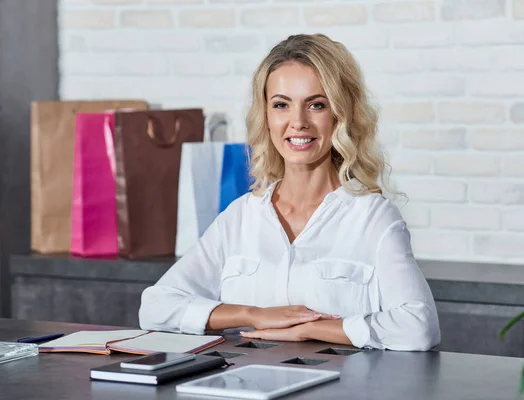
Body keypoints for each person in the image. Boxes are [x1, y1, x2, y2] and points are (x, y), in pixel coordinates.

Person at [139, 33, 440, 351]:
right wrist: (254, 315)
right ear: (266, 116)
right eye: (281, 105)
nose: (298, 122)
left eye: (317, 105)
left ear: (340, 115)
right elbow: (156, 307)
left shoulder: (373, 217)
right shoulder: (241, 216)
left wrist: (313, 330)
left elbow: (418, 328)